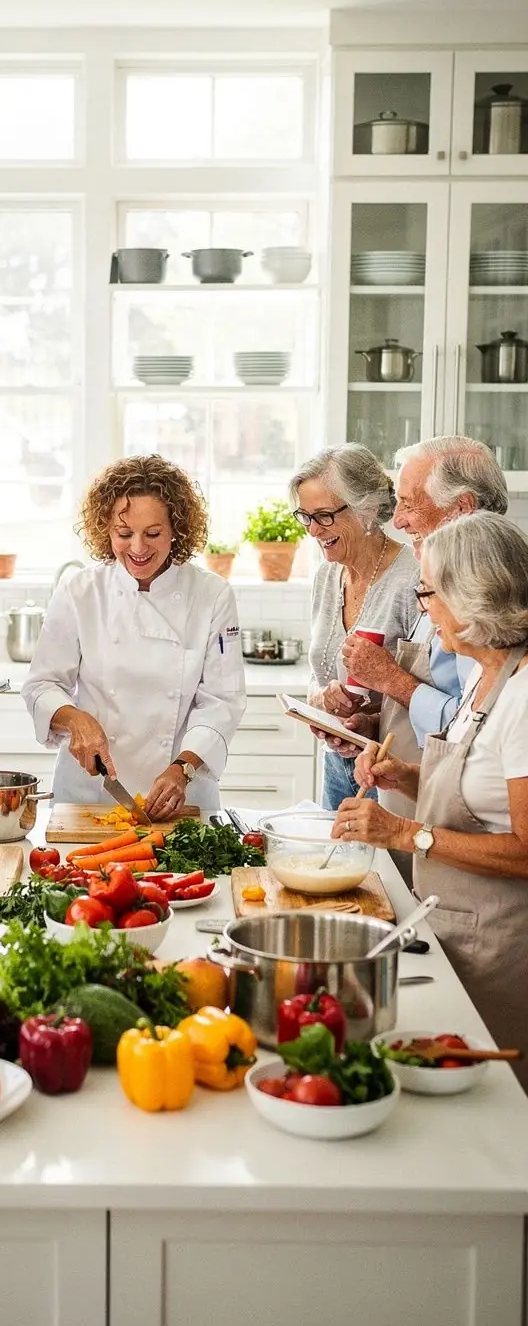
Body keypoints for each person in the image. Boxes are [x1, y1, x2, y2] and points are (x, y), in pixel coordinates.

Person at [334, 513, 528, 1089]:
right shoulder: (485, 676)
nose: (423, 607)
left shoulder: (525, 698)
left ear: (474, 597)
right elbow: (478, 792)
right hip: (452, 927)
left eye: (429, 591)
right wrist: (406, 777)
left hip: (498, 946)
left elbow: (525, 849)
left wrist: (403, 833)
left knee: (494, 1116)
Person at [22, 455, 246, 817]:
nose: (138, 548)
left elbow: (223, 700)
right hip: (89, 794)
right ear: (105, 529)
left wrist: (183, 769)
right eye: (124, 534)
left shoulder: (212, 595)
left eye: (153, 534)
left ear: (177, 529)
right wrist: (76, 720)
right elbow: (41, 685)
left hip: (180, 796)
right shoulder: (80, 590)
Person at [340, 436, 509, 822]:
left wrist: (388, 679)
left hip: (454, 822)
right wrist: (372, 723)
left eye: (408, 502)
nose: (396, 520)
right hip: (419, 798)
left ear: (460, 509)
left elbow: (472, 727)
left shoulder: (490, 600)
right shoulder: (442, 578)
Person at [289, 444, 420, 811]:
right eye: (305, 516)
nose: (314, 530)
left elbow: (437, 697)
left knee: (385, 870)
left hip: (393, 769)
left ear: (369, 508)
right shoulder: (327, 576)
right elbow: (318, 672)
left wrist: (371, 722)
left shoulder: (413, 579)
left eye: (325, 515)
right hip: (338, 764)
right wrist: (321, 701)